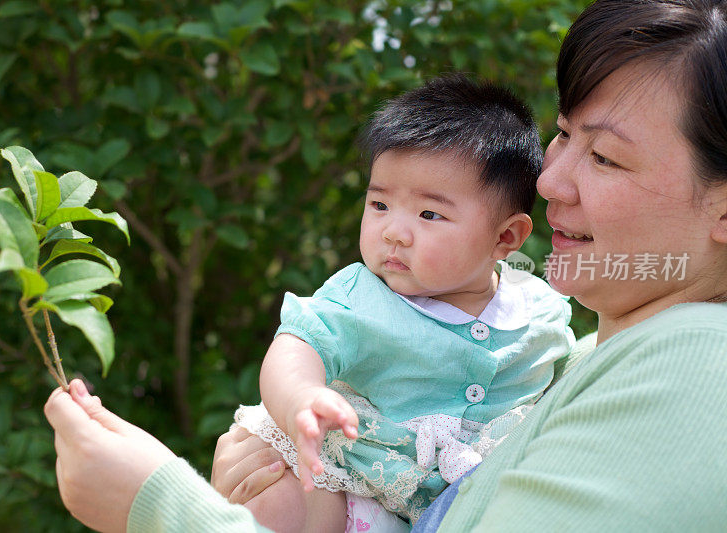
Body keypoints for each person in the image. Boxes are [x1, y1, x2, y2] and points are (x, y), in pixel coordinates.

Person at [44, 0, 727, 531]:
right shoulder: (572, 357)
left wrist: (157, 501)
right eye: (564, 134)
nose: (550, 180)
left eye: (604, 156)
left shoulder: (697, 368)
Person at [230, 74, 573, 532]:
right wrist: (300, 398)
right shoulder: (360, 296)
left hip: (458, 507)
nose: (393, 231)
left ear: (505, 236)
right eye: (379, 205)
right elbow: (297, 345)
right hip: (352, 473)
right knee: (285, 498)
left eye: (429, 214)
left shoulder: (540, 314)